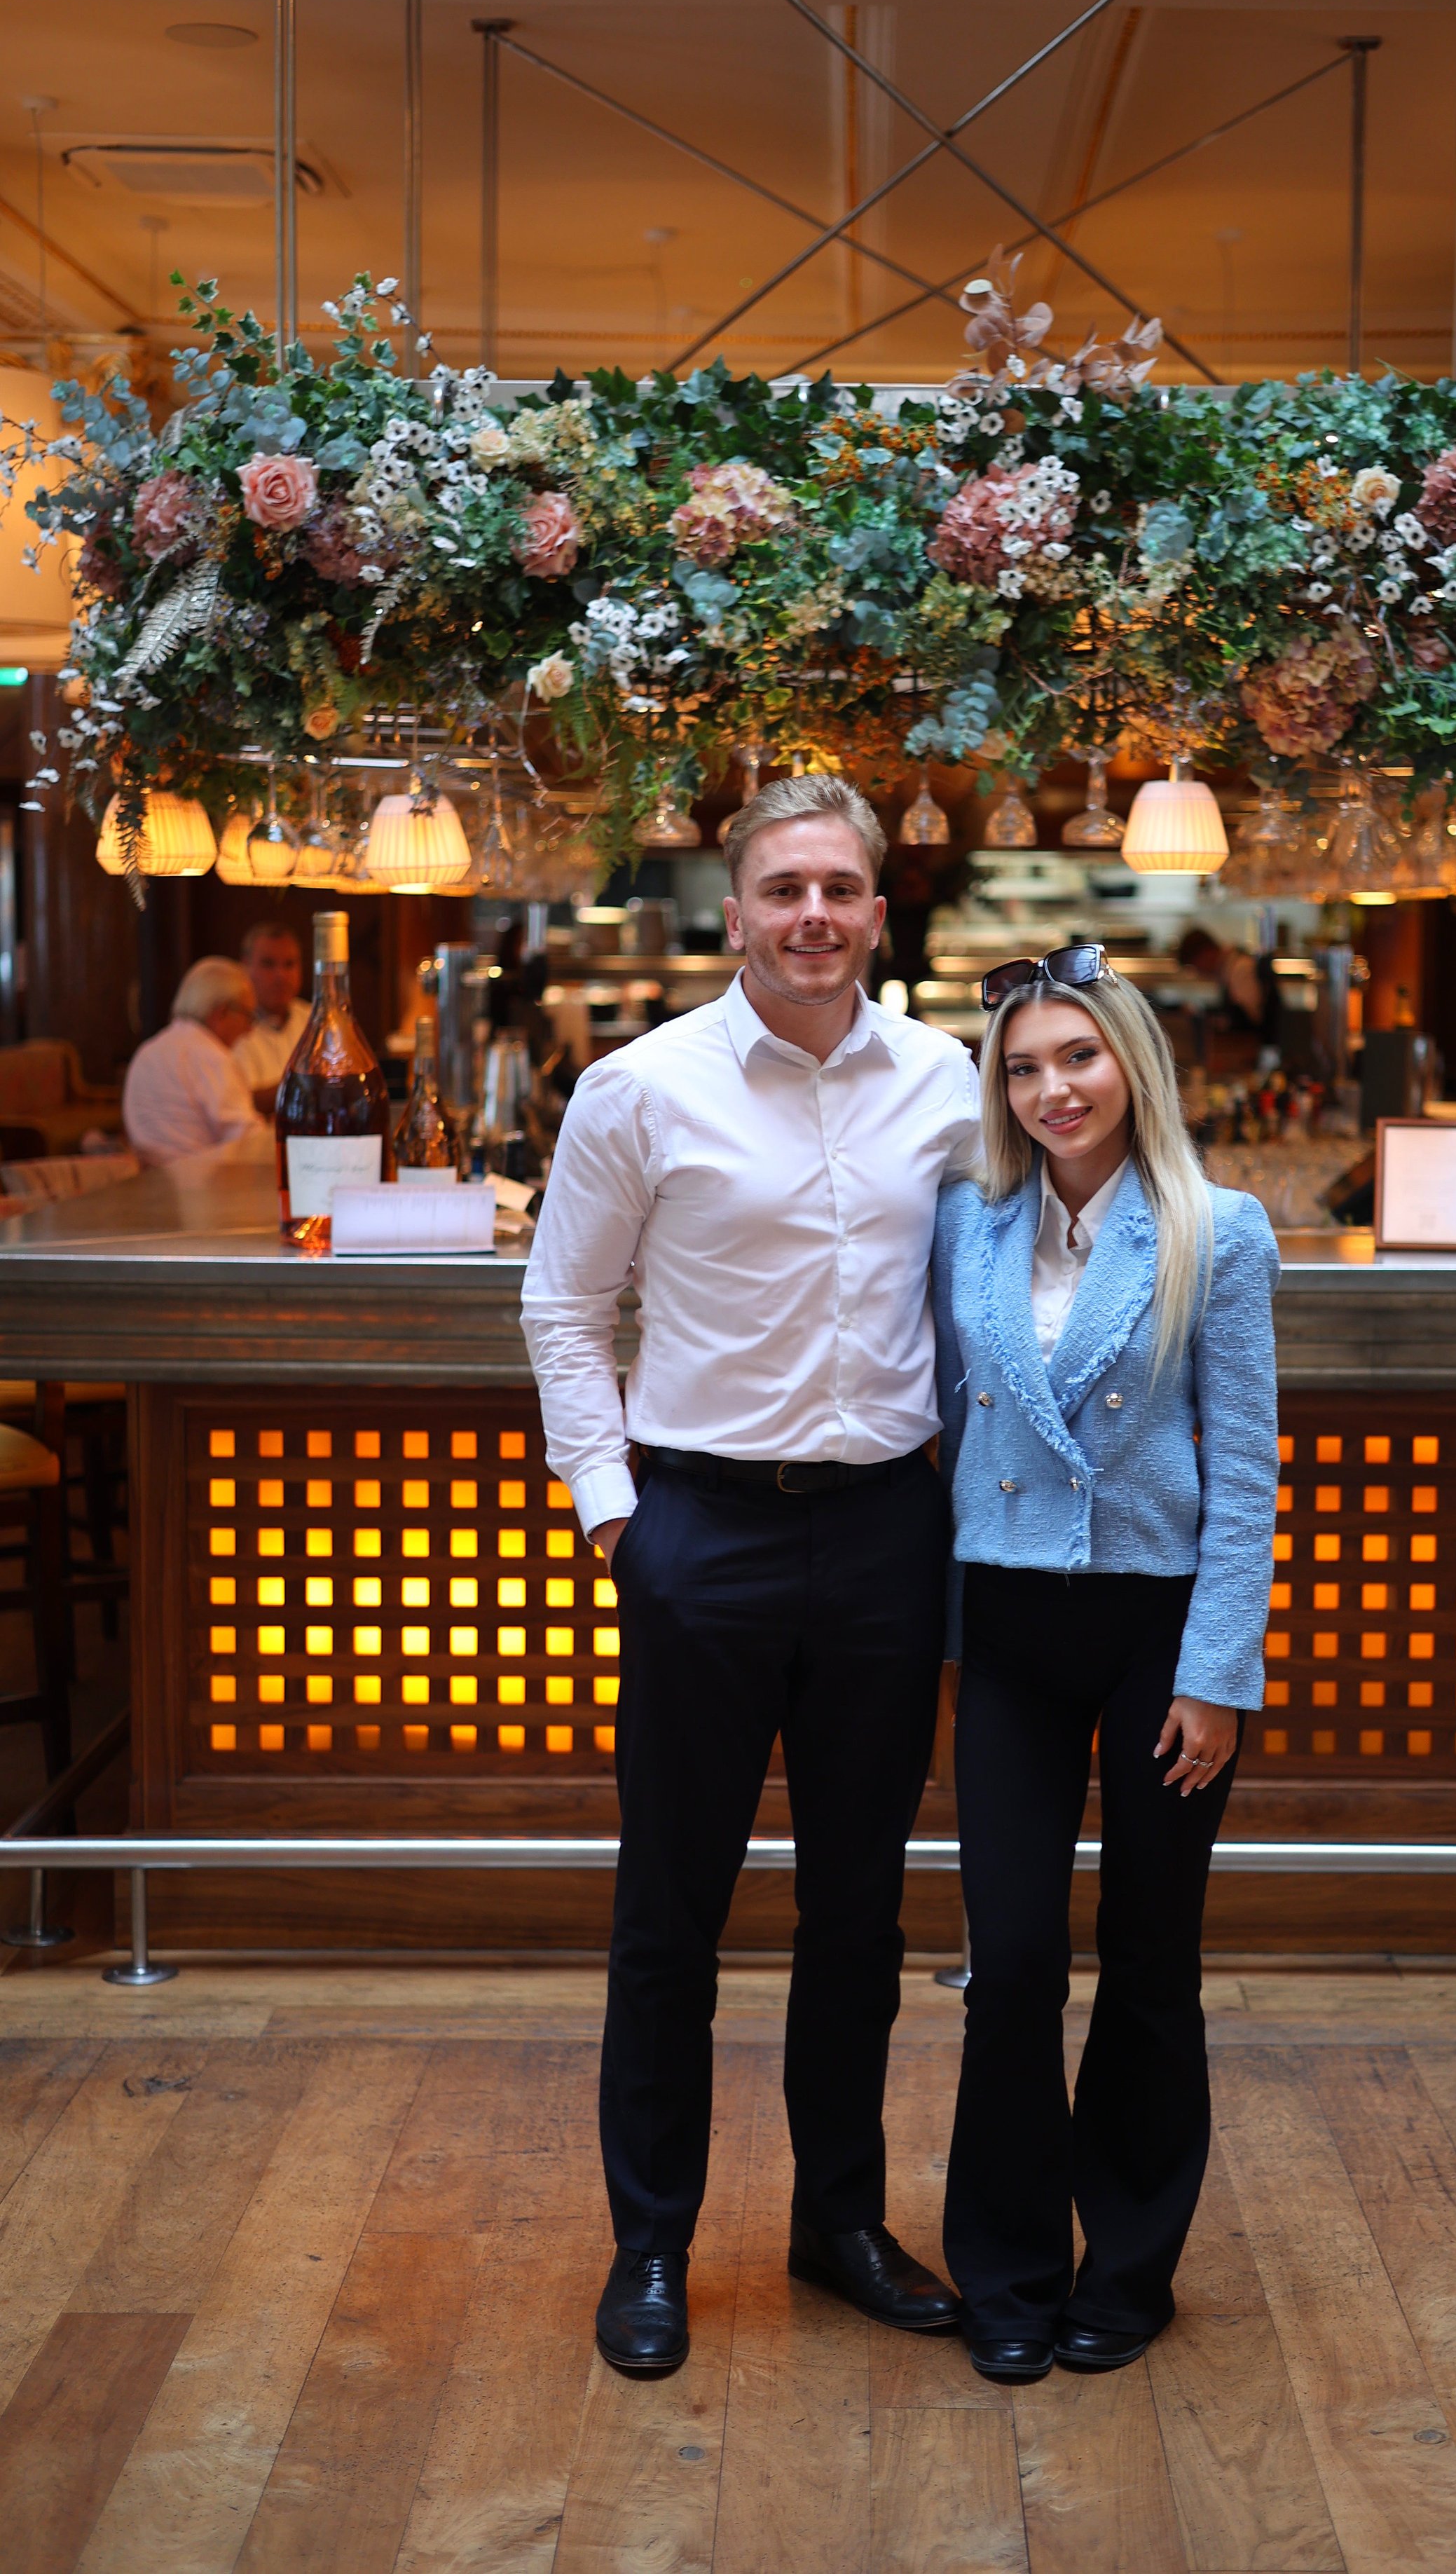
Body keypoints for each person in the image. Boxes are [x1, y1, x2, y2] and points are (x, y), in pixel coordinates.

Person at [522, 775, 980, 2379]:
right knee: (672, 1906)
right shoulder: (640, 1089)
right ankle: (651, 2239)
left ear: (877, 909)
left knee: (859, 1907)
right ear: (736, 910)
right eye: (784, 887)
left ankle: (838, 2221)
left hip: (883, 1532)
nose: (812, 916)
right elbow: (566, 1308)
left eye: (840, 889)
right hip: (698, 1527)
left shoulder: (947, 1081)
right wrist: (610, 1510)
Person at [931, 945, 1279, 2383]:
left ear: (1129, 1062)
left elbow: (1247, 1468)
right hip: (1005, 1623)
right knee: (1009, 1963)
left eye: (1073, 1057)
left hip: (1157, 1632)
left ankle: (1126, 2269)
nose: (1048, 1088)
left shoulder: (1219, 1227)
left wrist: (1217, 1673)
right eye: (1019, 1068)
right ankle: (1005, 2269)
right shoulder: (964, 1218)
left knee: (1148, 1961)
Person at [121, 957, 265, 1166]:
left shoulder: (149, 1050)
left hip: (152, 1184)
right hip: (202, 1185)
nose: (250, 1030)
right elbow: (246, 1137)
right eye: (248, 1016)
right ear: (222, 1013)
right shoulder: (209, 1056)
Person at [233, 921, 311, 1116]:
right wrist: (308, 1085)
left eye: (289, 964)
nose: (281, 975)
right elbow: (239, 1102)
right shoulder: (230, 1024)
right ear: (245, 966)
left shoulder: (314, 1019)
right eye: (268, 964)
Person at [1176, 924, 1278, 1045]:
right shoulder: (1228, 968)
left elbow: (1250, 1018)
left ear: (1206, 954)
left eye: (1195, 966)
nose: (1199, 972)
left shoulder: (1241, 968)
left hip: (1250, 1047)